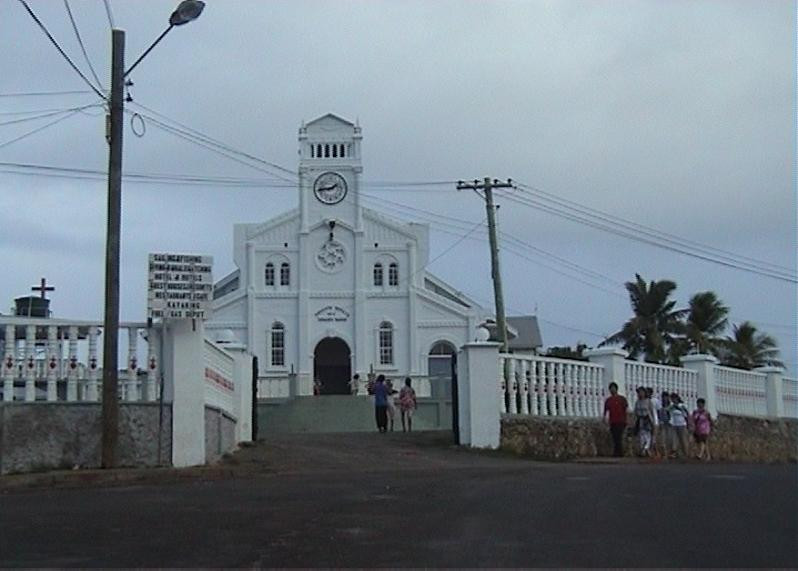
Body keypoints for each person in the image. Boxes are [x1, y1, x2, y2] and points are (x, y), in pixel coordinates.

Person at [603, 382, 629, 457]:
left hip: (621, 421)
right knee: (614, 437)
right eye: (611, 389)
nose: (612, 390)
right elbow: (606, 410)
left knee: (619, 436)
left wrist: (627, 419)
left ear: (616, 389)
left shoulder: (622, 399)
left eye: (613, 388)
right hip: (613, 421)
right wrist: (604, 418)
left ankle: (619, 452)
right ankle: (617, 452)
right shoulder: (608, 400)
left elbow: (626, 410)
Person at [633, 386, 656, 457]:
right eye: (639, 392)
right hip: (640, 419)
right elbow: (635, 412)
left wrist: (653, 422)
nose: (640, 394)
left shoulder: (648, 401)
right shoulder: (637, 402)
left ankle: (646, 448)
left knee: (648, 434)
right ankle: (643, 449)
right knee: (641, 434)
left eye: (641, 392)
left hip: (647, 419)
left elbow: (651, 412)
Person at [668, 392, 690, 459]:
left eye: (674, 398)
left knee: (683, 440)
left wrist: (688, 424)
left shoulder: (682, 406)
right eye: (672, 399)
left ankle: (686, 454)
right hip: (674, 425)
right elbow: (669, 412)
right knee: (674, 439)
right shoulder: (671, 406)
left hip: (682, 424)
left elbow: (686, 415)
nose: (673, 400)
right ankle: (674, 453)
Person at [647, 387, 661, 458]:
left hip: (655, 421)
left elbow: (659, 411)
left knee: (654, 437)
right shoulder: (645, 401)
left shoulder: (655, 401)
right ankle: (654, 452)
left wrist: (659, 420)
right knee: (649, 437)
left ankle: (655, 452)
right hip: (647, 422)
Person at [657, 391, 672, 458]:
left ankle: (669, 453)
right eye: (663, 397)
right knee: (662, 439)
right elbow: (658, 415)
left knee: (669, 439)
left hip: (669, 424)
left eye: (666, 397)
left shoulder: (671, 406)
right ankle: (664, 453)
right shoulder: (660, 406)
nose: (665, 398)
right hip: (662, 423)